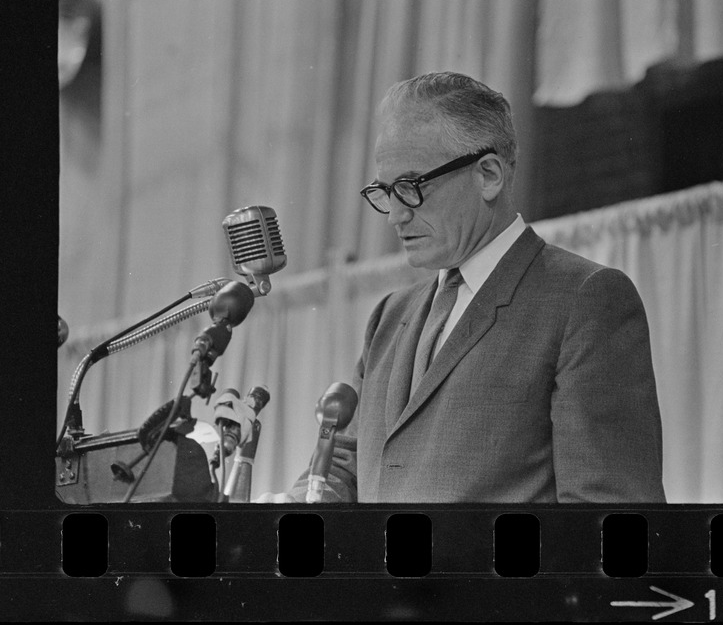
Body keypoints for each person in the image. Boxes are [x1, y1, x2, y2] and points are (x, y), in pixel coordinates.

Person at [267, 71, 665, 503]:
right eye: (385, 191)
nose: (394, 216)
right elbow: (343, 465)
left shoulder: (583, 300)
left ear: (488, 175)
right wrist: (298, 505)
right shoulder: (389, 316)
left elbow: (608, 513)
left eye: (411, 187)